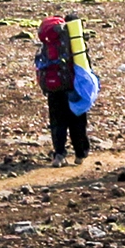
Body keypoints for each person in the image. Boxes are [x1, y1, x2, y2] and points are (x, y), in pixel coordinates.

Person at [35, 13, 93, 164]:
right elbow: (84, 66)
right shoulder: (74, 43)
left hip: (53, 87)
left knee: (57, 121)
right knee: (77, 118)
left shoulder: (48, 44)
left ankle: (59, 154)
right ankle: (80, 153)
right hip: (72, 86)